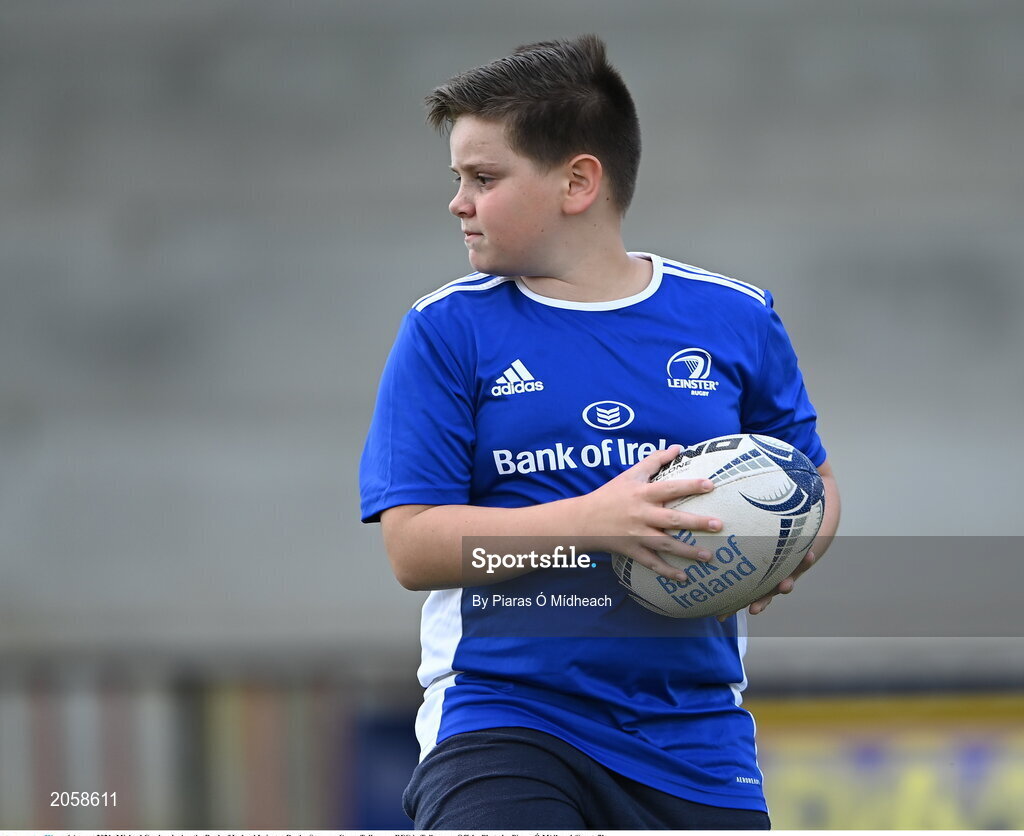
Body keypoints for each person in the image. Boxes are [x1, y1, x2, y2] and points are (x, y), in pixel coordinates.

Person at [359, 34, 840, 830]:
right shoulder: (446, 331)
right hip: (505, 719)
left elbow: (813, 482)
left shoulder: (733, 318)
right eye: (458, 180)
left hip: (692, 728)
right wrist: (592, 526)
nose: (459, 201)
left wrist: (792, 542)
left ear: (578, 181)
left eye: (484, 178)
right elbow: (413, 546)